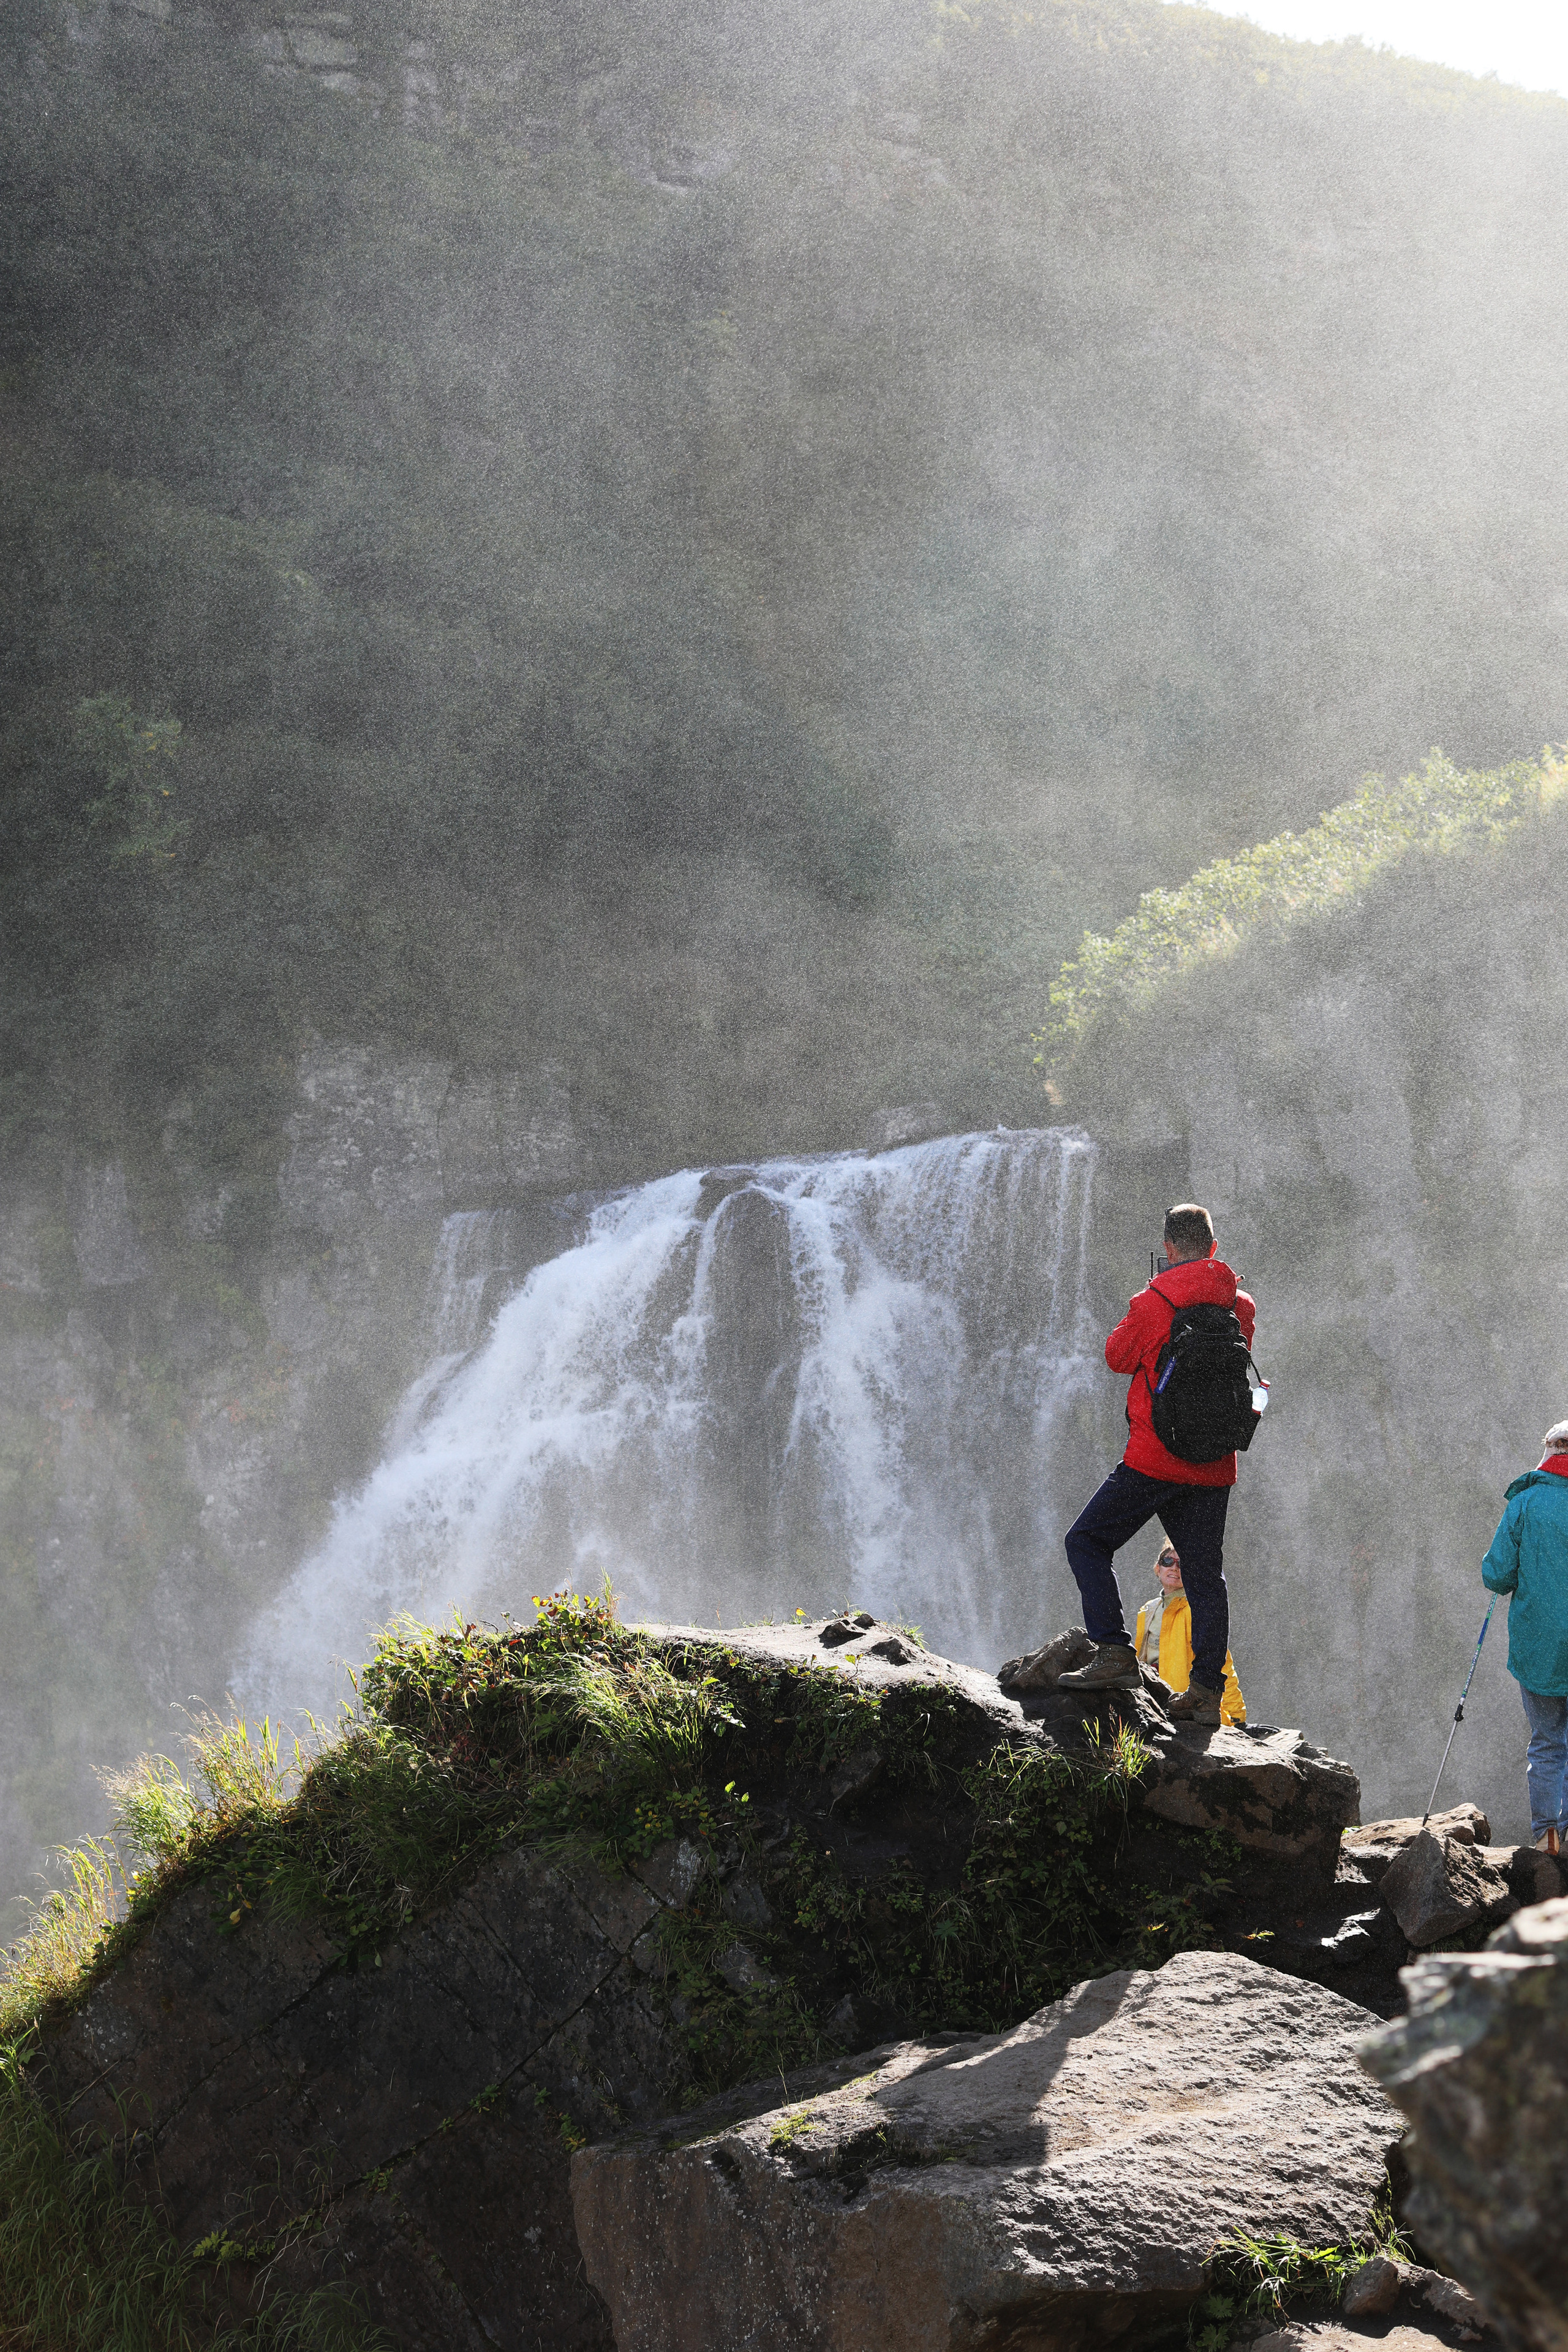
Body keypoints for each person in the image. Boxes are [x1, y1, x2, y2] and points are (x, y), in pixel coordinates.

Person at [1058, 1201, 1256, 1727]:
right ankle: (1207, 1691)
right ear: (1213, 1248)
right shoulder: (1241, 1306)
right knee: (1206, 1576)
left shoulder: (1151, 1303)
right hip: (1214, 1464)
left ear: (1168, 1248)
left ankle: (1115, 1652)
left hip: (1153, 1458)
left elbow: (1117, 1357)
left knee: (1087, 1542)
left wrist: (1149, 1305)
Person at [1482, 1417, 1568, 1856]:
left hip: (1539, 1646)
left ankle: (1548, 1834)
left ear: (1551, 1451)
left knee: (1548, 1741)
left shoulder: (1526, 1502)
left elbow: (1497, 1575)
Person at [1134, 1541, 1247, 1725]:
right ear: (1158, 1568)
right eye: (1168, 1561)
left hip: (1182, 1702)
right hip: (1150, 1697)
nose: (1175, 1568)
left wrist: (1237, 1716)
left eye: (1182, 1563)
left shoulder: (1195, 1609)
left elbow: (1220, 1662)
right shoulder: (1148, 1609)